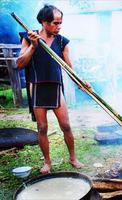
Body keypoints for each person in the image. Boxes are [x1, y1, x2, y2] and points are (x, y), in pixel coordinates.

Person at [16, 4, 84, 173]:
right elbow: (19, 63)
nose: (58, 27)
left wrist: (80, 82)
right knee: (42, 128)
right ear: (44, 22)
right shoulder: (28, 37)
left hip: (55, 87)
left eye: (60, 23)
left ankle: (73, 158)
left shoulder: (62, 41)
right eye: (55, 23)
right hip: (37, 86)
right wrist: (33, 45)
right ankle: (47, 162)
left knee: (66, 125)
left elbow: (69, 68)